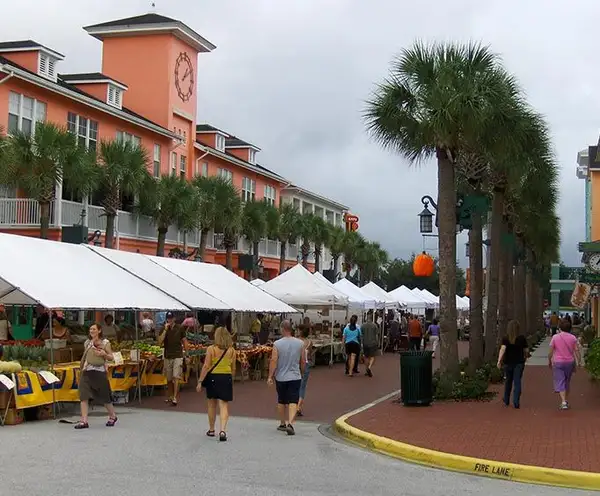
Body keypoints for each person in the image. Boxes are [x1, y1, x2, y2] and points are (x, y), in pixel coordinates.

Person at [74, 323, 118, 429]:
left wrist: (103, 354)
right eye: (90, 329)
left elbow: (111, 357)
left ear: (99, 330)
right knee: (83, 395)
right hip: (87, 371)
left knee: (105, 396)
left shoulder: (105, 343)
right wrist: (83, 367)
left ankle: (112, 416)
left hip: (99, 372)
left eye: (94, 329)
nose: (91, 331)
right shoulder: (87, 343)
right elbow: (86, 357)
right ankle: (84, 421)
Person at [197, 327, 235, 442]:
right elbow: (233, 368)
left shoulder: (211, 349)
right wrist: (230, 379)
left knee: (211, 404)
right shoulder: (232, 350)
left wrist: (200, 381)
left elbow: (206, 366)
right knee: (224, 405)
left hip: (213, 377)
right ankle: (222, 430)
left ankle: (212, 429)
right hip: (226, 377)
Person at [267, 320, 304, 436]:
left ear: (282, 329)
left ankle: (282, 423)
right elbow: (303, 361)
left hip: (281, 376)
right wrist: (301, 372)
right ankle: (291, 423)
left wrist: (270, 376)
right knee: (293, 400)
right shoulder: (300, 343)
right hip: (295, 375)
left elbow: (274, 361)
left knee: (281, 400)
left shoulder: (277, 344)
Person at [549, 319, 581, 410]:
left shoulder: (555, 337)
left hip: (558, 362)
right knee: (567, 381)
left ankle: (563, 402)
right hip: (569, 362)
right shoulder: (573, 338)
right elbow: (577, 350)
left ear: (560, 328)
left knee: (560, 380)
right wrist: (579, 361)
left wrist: (549, 359)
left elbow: (551, 351)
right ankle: (565, 400)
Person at [158, 312, 188, 406]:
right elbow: (159, 342)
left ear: (174, 318)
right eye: (168, 318)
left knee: (176, 376)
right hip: (168, 355)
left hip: (178, 355)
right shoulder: (163, 328)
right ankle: (170, 395)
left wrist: (187, 355)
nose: (169, 320)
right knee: (169, 378)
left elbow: (184, 341)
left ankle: (175, 397)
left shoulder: (180, 328)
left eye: (171, 318)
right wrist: (165, 330)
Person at [497, 320, 528, 409]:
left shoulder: (506, 338)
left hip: (508, 363)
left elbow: (502, 349)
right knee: (517, 381)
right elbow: (526, 350)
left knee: (508, 381)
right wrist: (526, 357)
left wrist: (499, 361)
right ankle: (516, 401)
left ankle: (506, 399)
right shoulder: (522, 338)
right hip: (519, 363)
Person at [297, 325, 314, 416]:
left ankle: (294, 404)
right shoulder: (309, 342)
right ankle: (299, 406)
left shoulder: (296, 341)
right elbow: (310, 354)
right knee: (302, 386)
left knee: (295, 385)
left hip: (296, 364)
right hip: (306, 364)